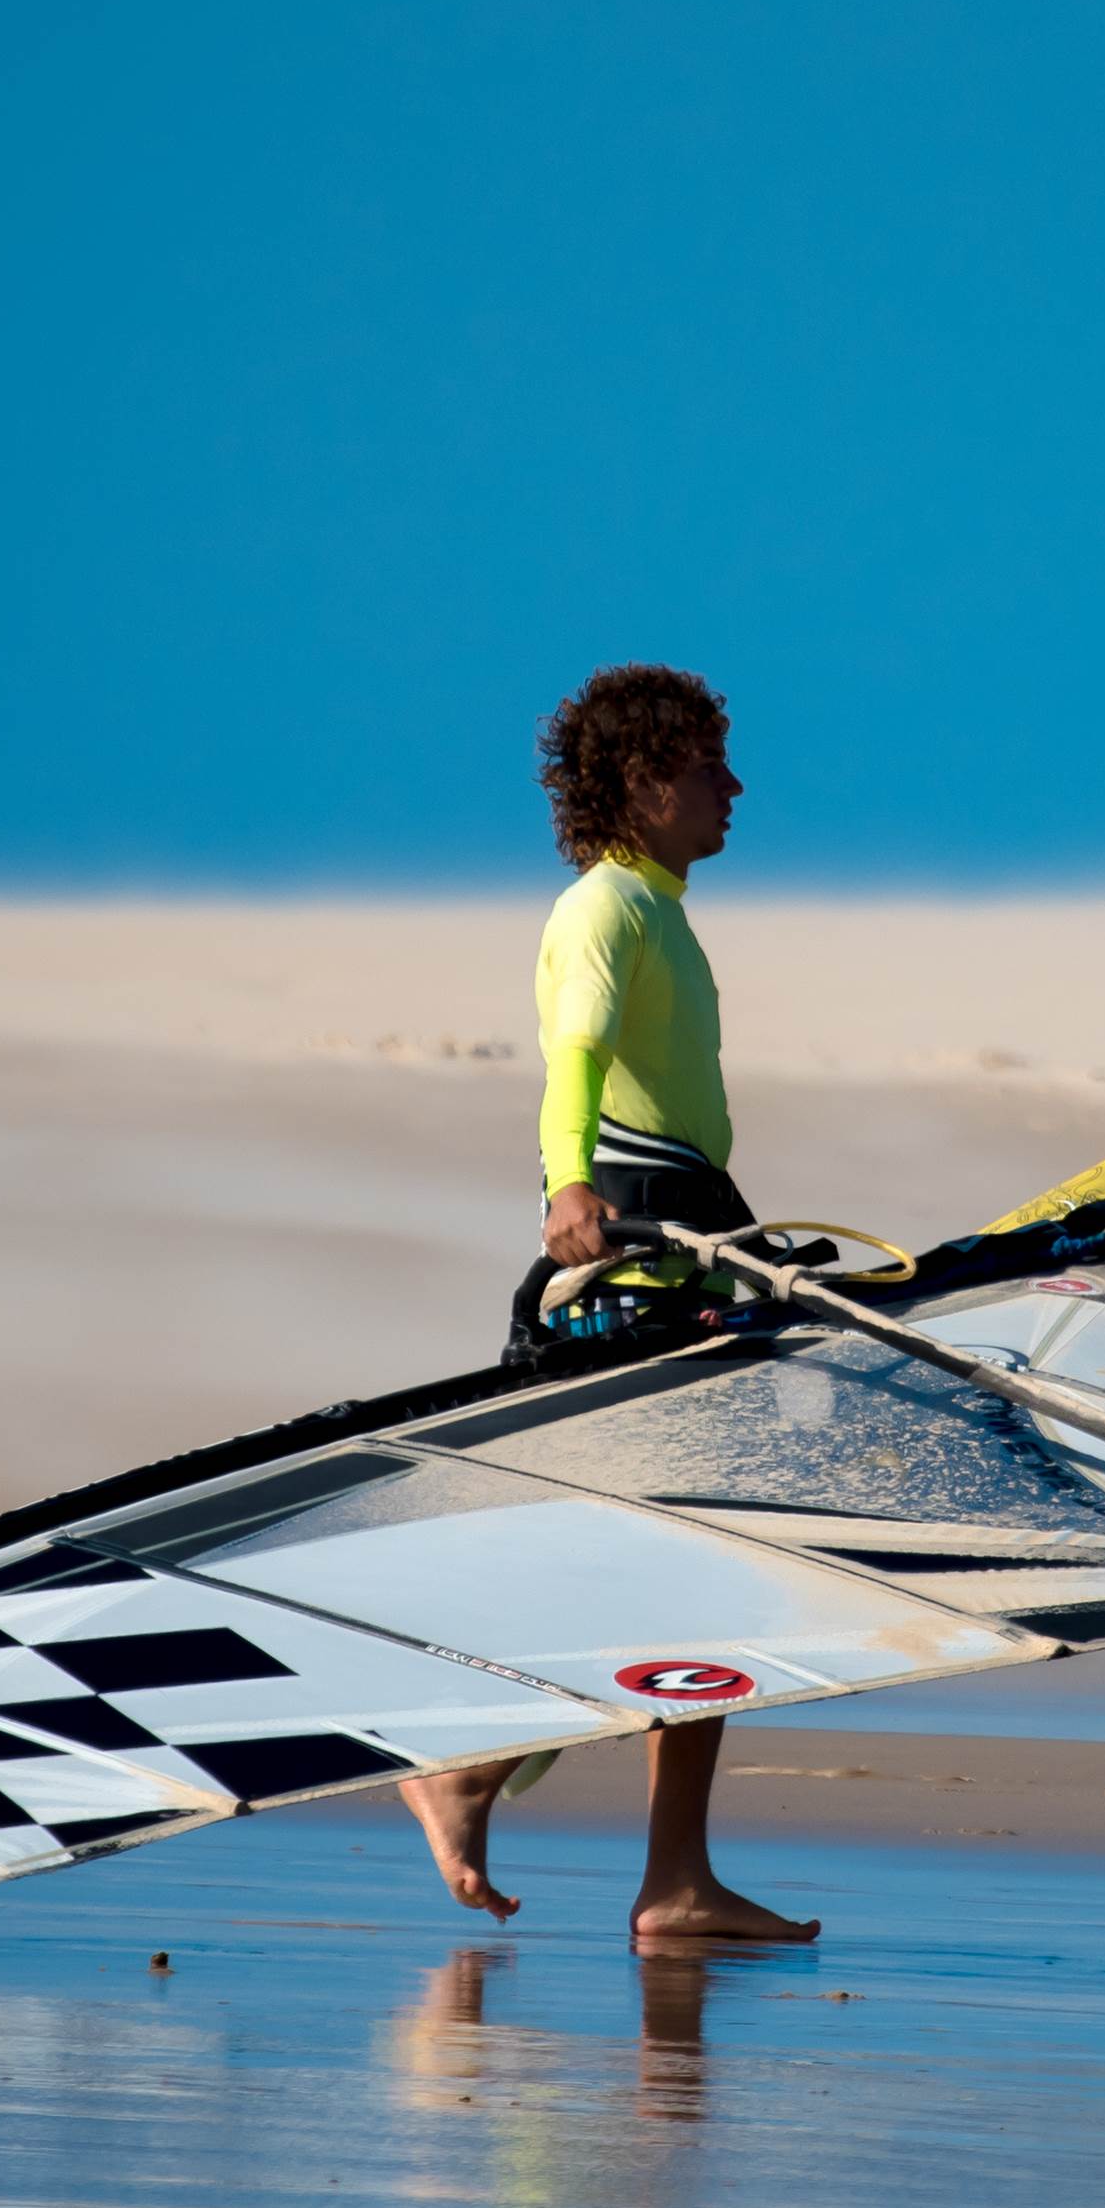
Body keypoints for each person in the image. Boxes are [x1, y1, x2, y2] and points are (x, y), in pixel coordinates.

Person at [394, 663, 820, 1944]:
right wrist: (569, 1184)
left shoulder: (659, 911)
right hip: (630, 1272)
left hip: (684, 1254)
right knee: (672, 1566)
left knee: (693, 1574)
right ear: (642, 781)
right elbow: (571, 1055)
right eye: (707, 763)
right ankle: (494, 1782)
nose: (735, 785)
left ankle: (637, 1856)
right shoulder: (605, 909)